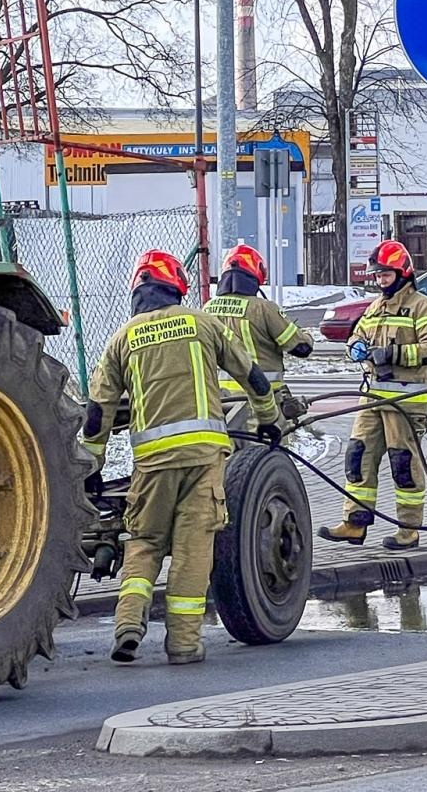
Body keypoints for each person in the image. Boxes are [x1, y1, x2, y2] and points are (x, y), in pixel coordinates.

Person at [82, 250, 280, 666]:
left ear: (138, 290)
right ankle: (184, 645)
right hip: (204, 458)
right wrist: (268, 419)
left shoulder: (124, 337)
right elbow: (251, 375)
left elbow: (99, 408)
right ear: (176, 288)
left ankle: (128, 627)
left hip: (152, 465)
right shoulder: (202, 323)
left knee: (144, 544)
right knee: (193, 550)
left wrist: (91, 465)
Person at [317, 240, 427, 551]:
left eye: (385, 275)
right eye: (376, 276)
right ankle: (354, 524)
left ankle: (409, 530)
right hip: (372, 399)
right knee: (357, 458)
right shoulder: (375, 307)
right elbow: (357, 336)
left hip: (405, 402)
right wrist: (355, 348)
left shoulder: (423, 307)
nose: (379, 281)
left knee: (403, 465)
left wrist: (391, 353)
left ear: (402, 273)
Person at [205, 243, 314, 425]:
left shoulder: (207, 309)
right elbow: (301, 348)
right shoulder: (263, 309)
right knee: (270, 452)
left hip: (222, 402)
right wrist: (305, 335)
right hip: (264, 400)